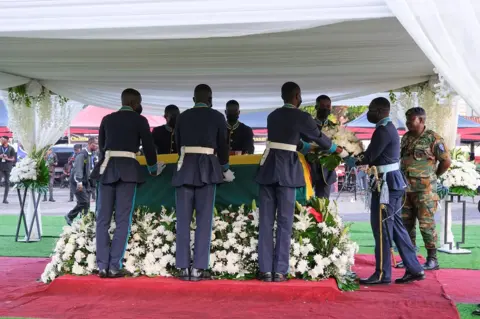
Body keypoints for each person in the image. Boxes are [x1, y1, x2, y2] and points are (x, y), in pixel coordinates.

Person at [255, 82, 349, 282]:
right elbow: (318, 137)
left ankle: (265, 270)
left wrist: (307, 148)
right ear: (297, 96)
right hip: (287, 170)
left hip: (268, 166)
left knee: (265, 220)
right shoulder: (302, 117)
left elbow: (293, 140)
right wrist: (336, 150)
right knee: (284, 221)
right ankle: (279, 271)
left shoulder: (272, 115)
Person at [352, 97, 425, 285]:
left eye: (370, 109)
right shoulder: (387, 128)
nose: (368, 113)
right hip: (390, 183)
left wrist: (348, 156)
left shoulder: (383, 131)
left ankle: (382, 273)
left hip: (386, 185)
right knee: (396, 228)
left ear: (378, 110)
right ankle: (415, 268)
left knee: (382, 228)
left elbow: (369, 157)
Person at [91, 88, 162, 279]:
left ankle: (102, 266)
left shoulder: (107, 119)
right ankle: (114, 265)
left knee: (102, 219)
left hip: (107, 169)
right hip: (128, 170)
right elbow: (148, 147)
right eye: (139, 102)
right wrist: (153, 169)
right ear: (134, 103)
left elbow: (102, 146)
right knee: (123, 220)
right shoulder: (140, 120)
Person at [172, 84, 234, 281]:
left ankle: (182, 268)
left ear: (193, 99)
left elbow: (177, 143)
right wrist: (225, 168)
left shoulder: (182, 116)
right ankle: (199, 269)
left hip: (185, 167)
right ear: (210, 99)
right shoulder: (217, 116)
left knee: (182, 220)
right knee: (203, 220)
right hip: (207, 167)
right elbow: (223, 146)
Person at [396, 107, 451, 270]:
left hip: (425, 191)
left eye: (410, 120)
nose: (407, 123)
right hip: (406, 189)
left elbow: (446, 162)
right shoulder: (405, 138)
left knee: (426, 225)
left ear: (421, 120)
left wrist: (432, 177)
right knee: (406, 225)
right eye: (406, 120)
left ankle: (432, 259)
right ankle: (409, 258)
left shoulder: (433, 138)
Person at [305, 95, 338, 199]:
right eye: (322, 106)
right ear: (316, 107)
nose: (325, 109)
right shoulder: (308, 125)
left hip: (326, 172)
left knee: (323, 204)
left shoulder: (334, 127)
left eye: (328, 106)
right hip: (309, 168)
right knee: (305, 203)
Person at [65, 138, 98, 225]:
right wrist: (79, 182)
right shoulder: (82, 155)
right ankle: (70, 216)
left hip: (87, 182)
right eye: (96, 144)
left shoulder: (92, 154)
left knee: (86, 205)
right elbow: (78, 169)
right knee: (84, 202)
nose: (97, 146)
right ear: (90, 144)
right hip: (78, 182)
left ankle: (83, 224)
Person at [0, 136, 16, 204]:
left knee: (7, 183)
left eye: (2, 139)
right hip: (0, 167)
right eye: (1, 139)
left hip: (8, 167)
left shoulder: (11, 148)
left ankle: (5, 199)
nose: (1, 140)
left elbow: (13, 159)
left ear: (6, 140)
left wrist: (7, 158)